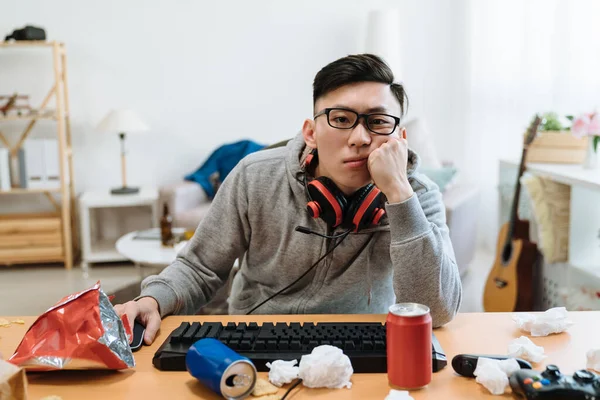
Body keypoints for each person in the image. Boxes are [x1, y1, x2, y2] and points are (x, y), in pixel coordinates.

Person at [115, 54, 462, 345]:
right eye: (341, 119)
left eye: (378, 122)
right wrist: (154, 298)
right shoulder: (254, 175)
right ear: (310, 132)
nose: (359, 137)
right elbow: (200, 267)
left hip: (361, 347)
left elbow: (437, 308)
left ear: (400, 137)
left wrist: (399, 195)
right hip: (254, 340)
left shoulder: (418, 195)